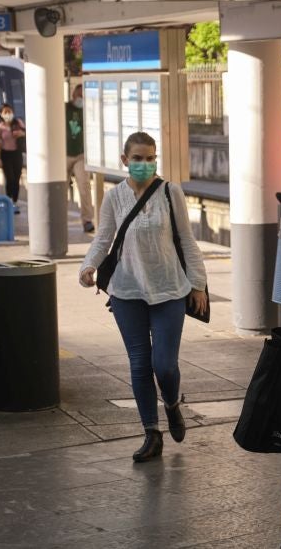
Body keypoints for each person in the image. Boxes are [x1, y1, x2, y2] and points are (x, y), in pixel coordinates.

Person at [79, 132, 208, 463]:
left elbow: (187, 239)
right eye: (137, 158)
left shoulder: (169, 192)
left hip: (168, 289)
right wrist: (88, 265)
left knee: (163, 364)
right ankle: (151, 433)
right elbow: (103, 238)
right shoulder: (113, 198)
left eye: (150, 157)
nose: (144, 164)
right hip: (126, 291)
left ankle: (173, 403)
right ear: (124, 161)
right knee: (139, 363)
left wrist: (198, 284)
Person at [66, 85, 95, 233]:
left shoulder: (88, 110)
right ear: (73, 95)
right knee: (60, 188)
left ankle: (87, 220)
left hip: (81, 155)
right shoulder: (64, 108)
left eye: (84, 97)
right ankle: (59, 218)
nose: (81, 99)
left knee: (84, 186)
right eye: (79, 96)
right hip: (63, 154)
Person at [0, 103, 25, 203]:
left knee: (16, 178)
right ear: (1, 114)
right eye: (5, 112)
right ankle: (8, 199)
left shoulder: (18, 122)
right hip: (6, 155)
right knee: (10, 178)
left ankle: (15, 200)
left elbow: (27, 132)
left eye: (9, 111)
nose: (8, 114)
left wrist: (21, 133)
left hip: (17, 153)